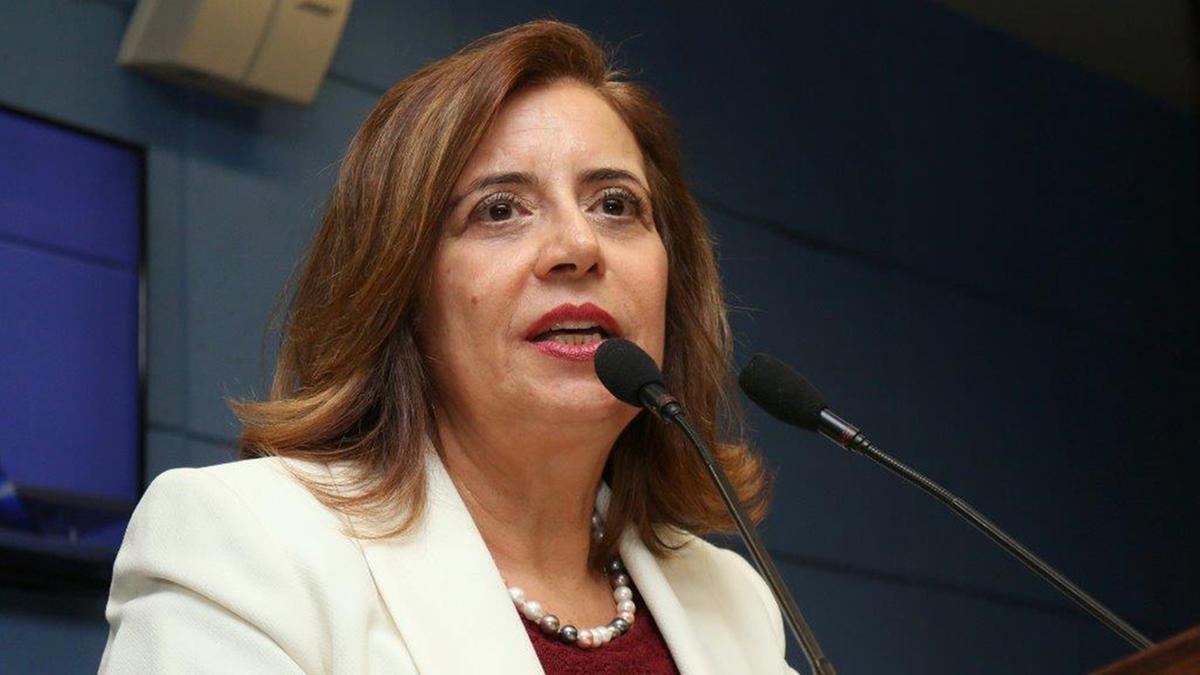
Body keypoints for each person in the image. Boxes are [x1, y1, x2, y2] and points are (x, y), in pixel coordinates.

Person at [99, 19, 797, 675]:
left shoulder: (732, 600)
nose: (579, 245)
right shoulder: (248, 543)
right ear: (400, 292)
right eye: (500, 209)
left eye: (615, 204)